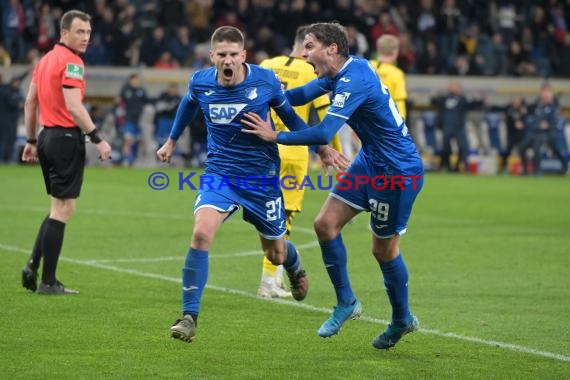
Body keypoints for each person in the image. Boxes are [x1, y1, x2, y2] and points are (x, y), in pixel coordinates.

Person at [156, 26, 346, 343]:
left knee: (274, 253)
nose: (228, 60)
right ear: (212, 56)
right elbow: (188, 105)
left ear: (243, 56)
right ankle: (189, 317)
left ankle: (294, 263)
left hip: (261, 178)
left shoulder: (264, 81)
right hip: (221, 173)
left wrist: (322, 148)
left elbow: (292, 115)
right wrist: (171, 141)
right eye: (222, 55)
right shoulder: (201, 82)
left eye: (233, 54)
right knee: (201, 233)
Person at [242, 22, 424, 350]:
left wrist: (275, 135)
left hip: (397, 173)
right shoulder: (337, 74)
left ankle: (401, 319)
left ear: (332, 49)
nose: (304, 53)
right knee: (324, 224)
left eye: (309, 47)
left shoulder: (355, 79)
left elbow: (325, 133)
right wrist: (264, 97)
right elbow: (296, 96)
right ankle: (346, 303)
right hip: (370, 161)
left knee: (382, 250)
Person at [20, 10, 112, 295]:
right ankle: (48, 282)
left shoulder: (45, 60)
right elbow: (74, 106)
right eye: (79, 32)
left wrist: (32, 140)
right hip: (64, 138)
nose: (85, 37)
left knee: (56, 208)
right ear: (64, 33)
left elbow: (30, 102)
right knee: (65, 209)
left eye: (87, 32)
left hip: (47, 137)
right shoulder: (72, 63)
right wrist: (98, 138)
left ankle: (32, 266)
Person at [256, 25, 332, 298]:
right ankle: (269, 281)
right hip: (292, 149)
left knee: (265, 213)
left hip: (261, 149)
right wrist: (328, 151)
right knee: (283, 215)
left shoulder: (266, 65)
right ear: (305, 48)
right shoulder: (309, 71)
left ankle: (271, 278)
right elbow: (323, 116)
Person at [430, 81, 484, 172]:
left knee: (463, 147)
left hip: (459, 127)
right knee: (446, 149)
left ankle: (460, 166)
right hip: (446, 127)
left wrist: (480, 98)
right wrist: (434, 94)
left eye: (457, 87)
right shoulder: (444, 98)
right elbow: (434, 101)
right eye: (453, 87)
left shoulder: (462, 99)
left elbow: (473, 104)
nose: (456, 89)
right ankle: (446, 166)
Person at [369, 34, 408, 121]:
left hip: (364, 119)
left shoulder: (366, 66)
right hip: (385, 121)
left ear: (378, 49)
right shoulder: (397, 74)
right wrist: (401, 122)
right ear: (395, 52)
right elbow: (399, 100)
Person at [0, 75, 25, 163]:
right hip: (6, 121)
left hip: (11, 121)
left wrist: (28, 71)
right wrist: (19, 103)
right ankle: (4, 159)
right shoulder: (5, 90)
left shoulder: (9, 89)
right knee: (5, 140)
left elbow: (20, 78)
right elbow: (11, 102)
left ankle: (7, 159)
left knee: (11, 139)